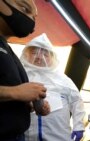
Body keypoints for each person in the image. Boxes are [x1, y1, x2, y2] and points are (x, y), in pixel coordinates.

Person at [20, 33, 85, 141]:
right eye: (34, 52)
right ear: (27, 54)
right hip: (27, 136)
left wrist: (79, 126)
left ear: (52, 57)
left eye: (45, 54)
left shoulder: (63, 80)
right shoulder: (21, 76)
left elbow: (76, 101)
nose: (39, 57)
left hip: (58, 136)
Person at [0, 0, 50, 140]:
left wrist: (29, 103)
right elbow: (14, 92)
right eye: (24, 8)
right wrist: (15, 92)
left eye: (33, 16)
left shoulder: (8, 49)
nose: (30, 20)